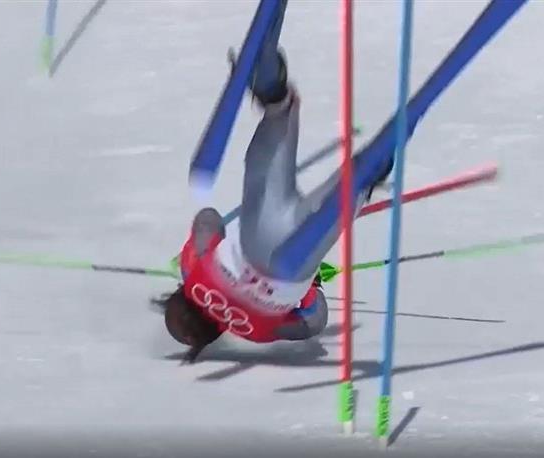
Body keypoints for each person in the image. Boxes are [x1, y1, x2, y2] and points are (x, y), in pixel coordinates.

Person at [159, 2, 393, 363]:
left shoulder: (259, 333)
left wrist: (310, 288)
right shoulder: (195, 276)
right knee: (276, 121)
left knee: (349, 191)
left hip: (294, 264)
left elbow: (314, 319)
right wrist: (190, 265)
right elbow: (208, 219)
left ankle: (370, 170)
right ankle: (274, 94)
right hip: (257, 232)